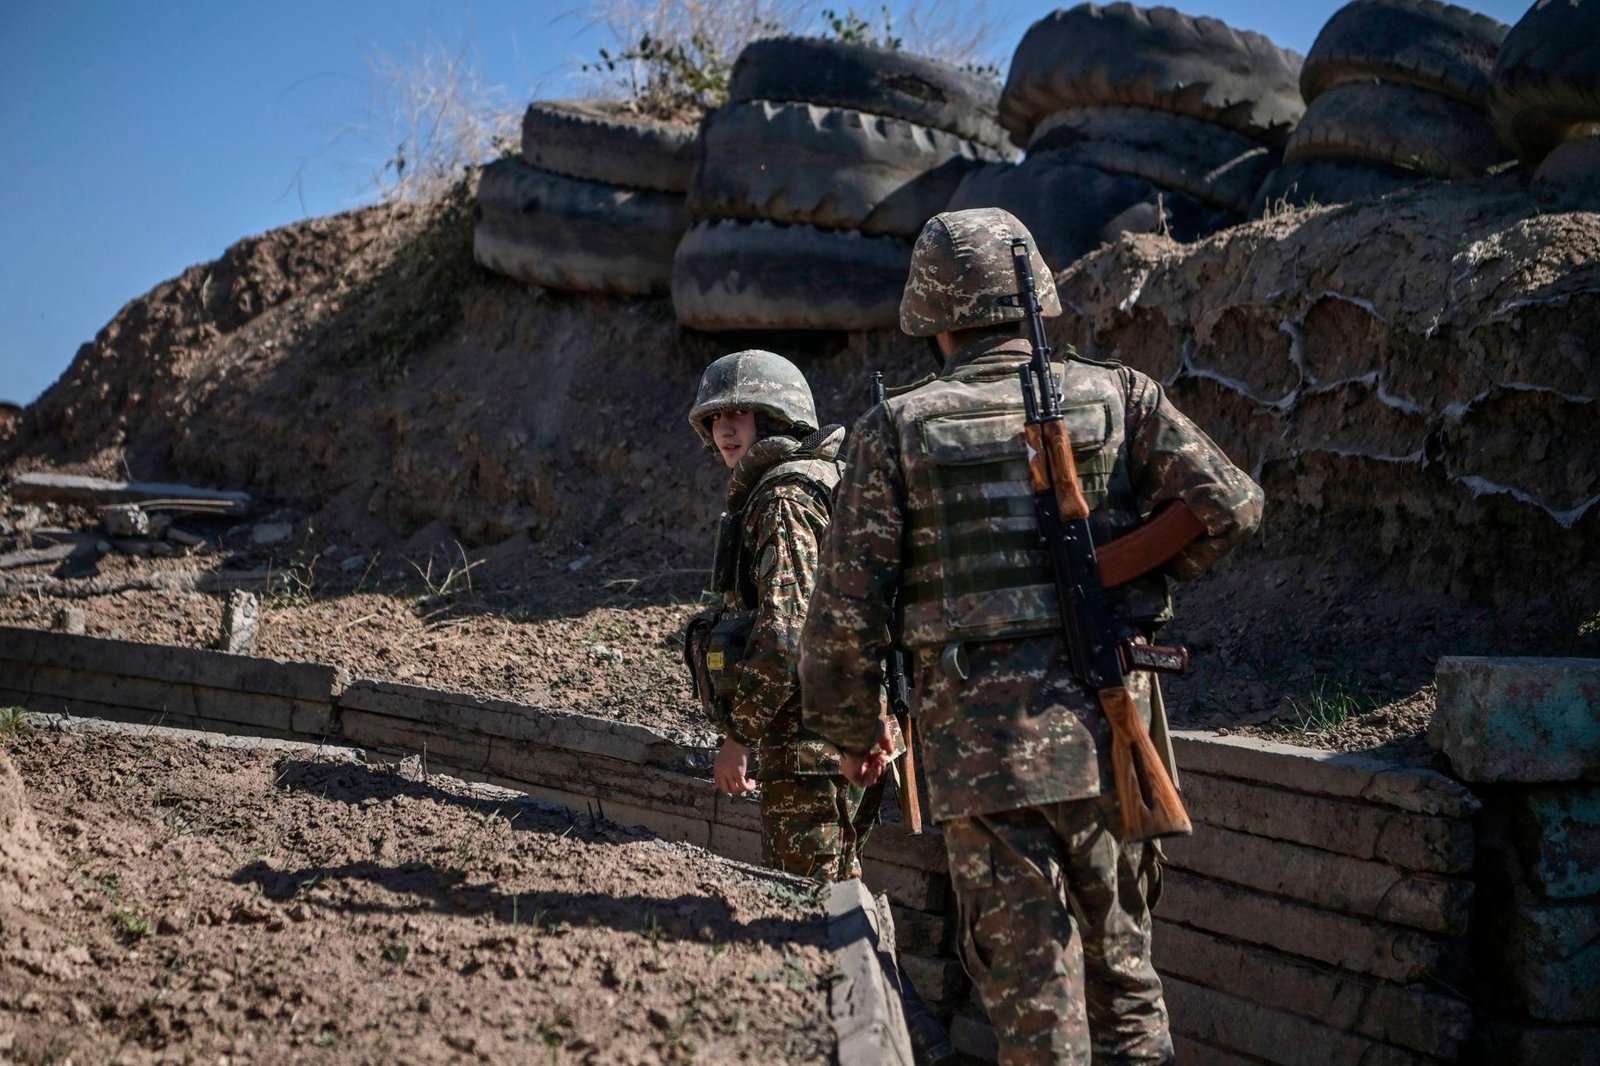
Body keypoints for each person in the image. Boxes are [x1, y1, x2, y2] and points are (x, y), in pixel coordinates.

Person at [800, 208, 1264, 1064]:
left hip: (982, 756)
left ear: (932, 318)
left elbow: (841, 620)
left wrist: (857, 732)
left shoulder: (894, 430)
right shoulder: (1120, 393)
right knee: (1127, 987)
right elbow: (1230, 504)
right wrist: (1123, 580)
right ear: (1035, 302)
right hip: (1110, 727)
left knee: (1036, 1007)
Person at [685, 349, 891, 881]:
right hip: (846, 728)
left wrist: (739, 735)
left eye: (739, 416)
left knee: (808, 902)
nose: (724, 430)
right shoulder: (825, 481)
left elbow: (785, 632)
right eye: (715, 420)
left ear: (776, 420)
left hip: (808, 741)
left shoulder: (783, 497)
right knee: (839, 890)